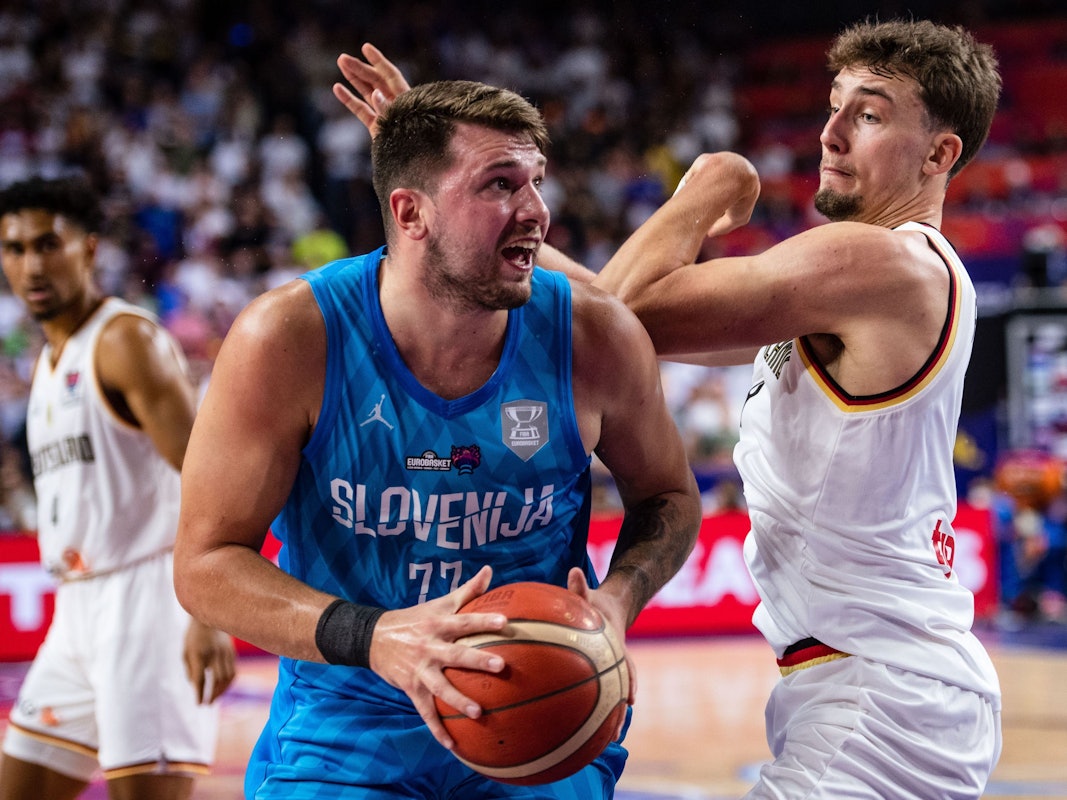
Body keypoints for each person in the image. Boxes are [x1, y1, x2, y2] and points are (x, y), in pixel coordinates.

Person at [337, 17, 1003, 798]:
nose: (828, 134)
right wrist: (460, 193)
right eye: (831, 105)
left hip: (883, 696)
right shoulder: (860, 287)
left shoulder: (877, 258)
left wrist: (705, 188)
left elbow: (616, 320)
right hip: (882, 685)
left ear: (939, 153)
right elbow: (600, 308)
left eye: (868, 113)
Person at [172, 79, 702, 799]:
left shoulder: (595, 334)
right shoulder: (289, 338)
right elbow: (204, 564)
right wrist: (378, 637)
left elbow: (668, 495)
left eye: (536, 183)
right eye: (499, 184)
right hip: (348, 722)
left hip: (541, 709)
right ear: (410, 211)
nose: (536, 212)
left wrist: (615, 601)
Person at [0, 175, 236, 800]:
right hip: (75, 609)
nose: (31, 264)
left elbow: (206, 479)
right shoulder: (48, 363)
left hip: (150, 601)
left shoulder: (124, 342)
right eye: (15, 248)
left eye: (49, 243)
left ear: (90, 249)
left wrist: (205, 614)